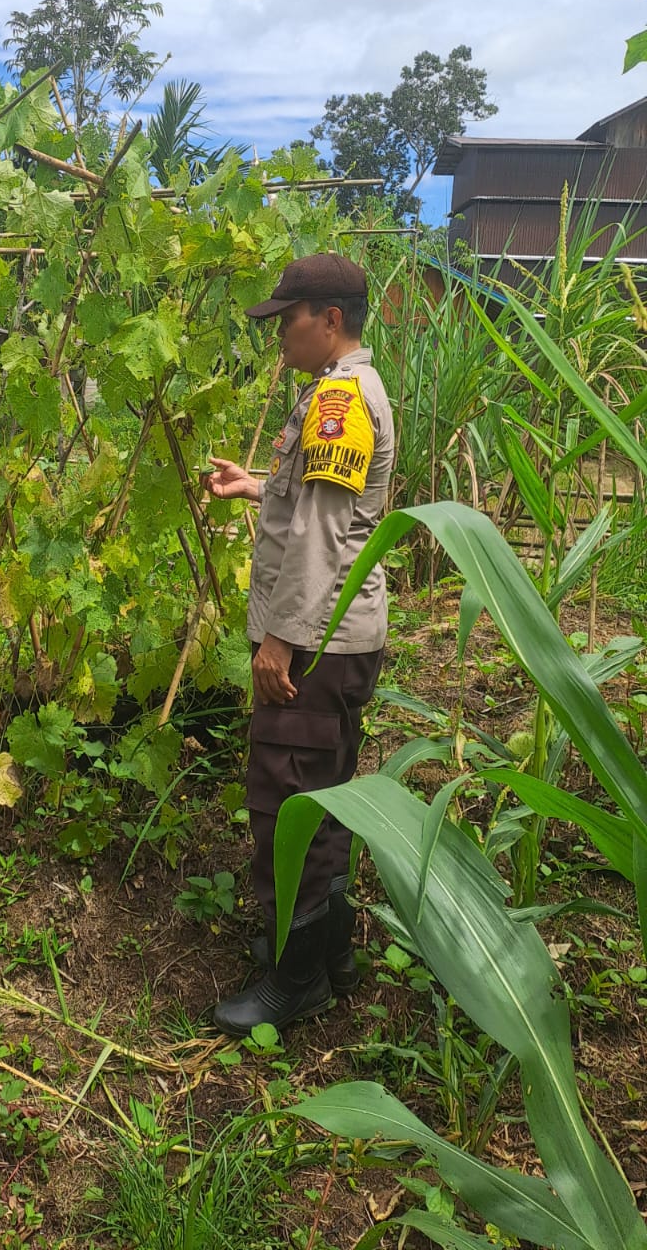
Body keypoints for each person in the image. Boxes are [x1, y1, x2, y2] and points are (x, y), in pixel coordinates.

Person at [204, 253, 393, 1036]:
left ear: (330, 319)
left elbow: (319, 538)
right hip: (341, 637)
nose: (280, 332)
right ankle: (329, 953)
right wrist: (257, 484)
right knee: (329, 796)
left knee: (290, 804)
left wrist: (279, 644)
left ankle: (296, 981)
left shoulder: (338, 401)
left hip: (315, 643)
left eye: (289, 317)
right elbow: (325, 501)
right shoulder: (340, 393)